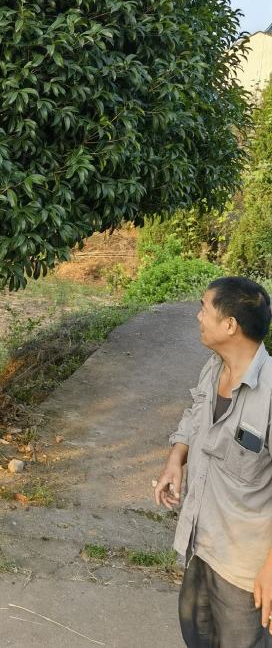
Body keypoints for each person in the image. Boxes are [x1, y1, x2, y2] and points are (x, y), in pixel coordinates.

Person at [155, 276, 272, 647]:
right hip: (200, 542)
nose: (197, 316)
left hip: (243, 569)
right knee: (196, 634)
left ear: (230, 325)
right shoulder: (213, 367)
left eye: (204, 308)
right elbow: (194, 415)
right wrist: (177, 459)